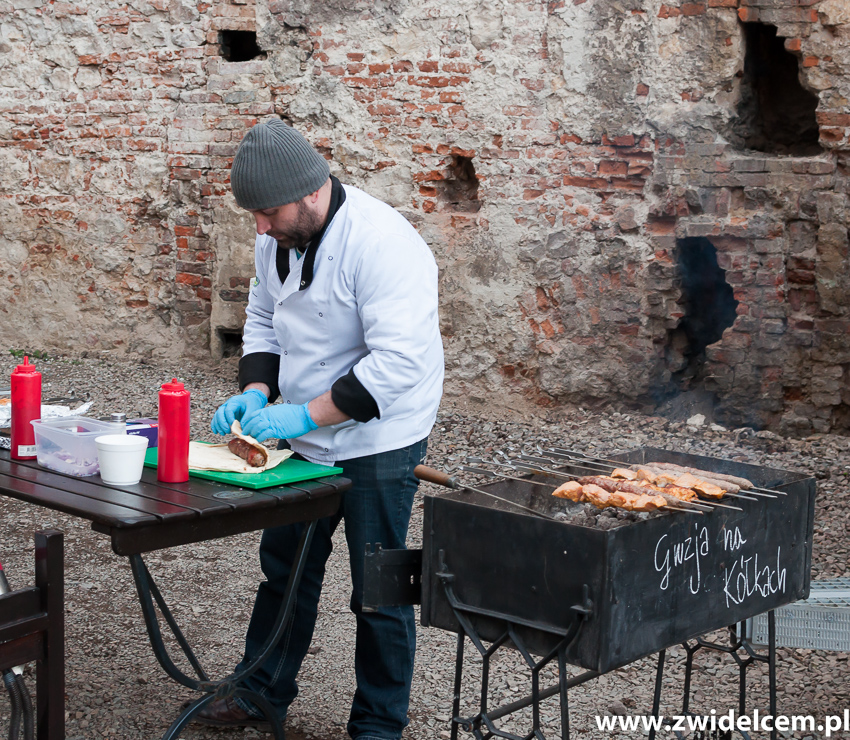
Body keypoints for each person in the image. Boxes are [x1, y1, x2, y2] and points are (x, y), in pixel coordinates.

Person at [197, 118, 444, 740]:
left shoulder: (383, 242)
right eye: (253, 213)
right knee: (285, 569)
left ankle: (379, 724)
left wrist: (303, 414)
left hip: (380, 438)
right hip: (302, 434)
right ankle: (261, 692)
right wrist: (256, 391)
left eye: (268, 211)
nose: (259, 226)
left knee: (382, 588)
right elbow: (262, 316)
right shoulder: (276, 233)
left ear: (311, 193)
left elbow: (398, 364)